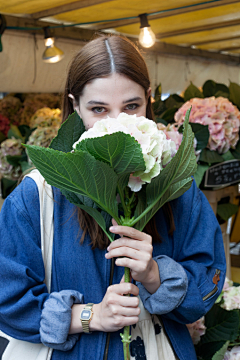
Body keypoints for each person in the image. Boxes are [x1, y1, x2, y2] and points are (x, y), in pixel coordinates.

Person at [0, 35, 226, 360]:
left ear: (149, 100)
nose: (118, 127)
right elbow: (7, 300)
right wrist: (90, 316)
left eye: (132, 106)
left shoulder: (177, 187)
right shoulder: (38, 194)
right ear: (75, 105)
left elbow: (208, 285)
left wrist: (154, 276)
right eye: (98, 109)